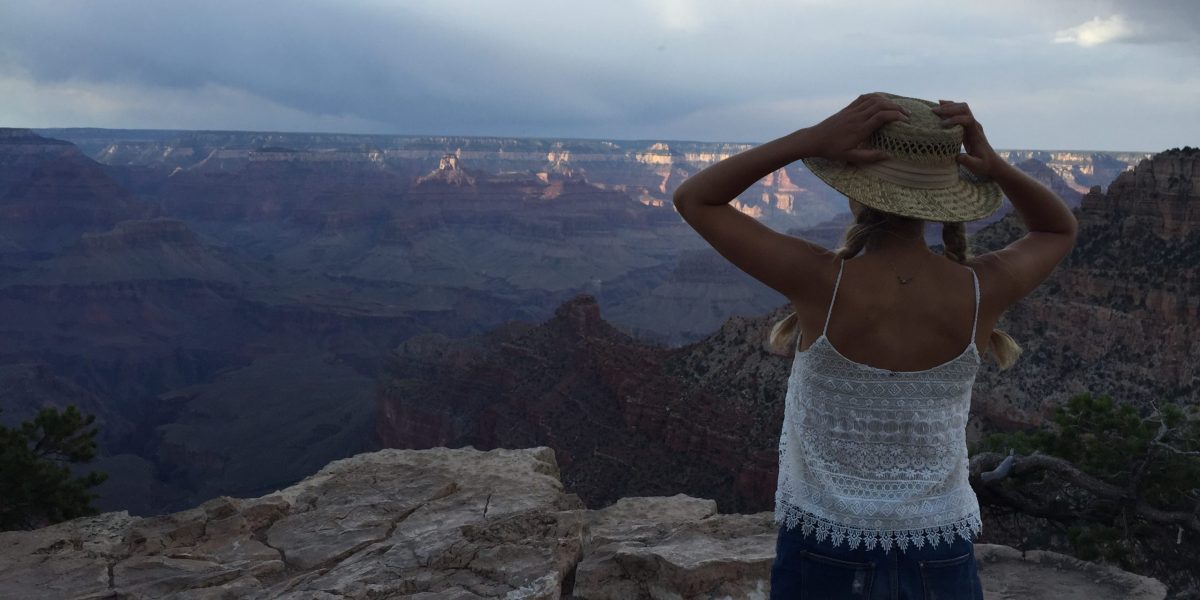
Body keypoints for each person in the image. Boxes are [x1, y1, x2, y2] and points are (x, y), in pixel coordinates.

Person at [671, 92, 1078, 599]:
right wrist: (995, 166)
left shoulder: (820, 281)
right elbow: (1058, 227)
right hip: (940, 553)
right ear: (946, 193)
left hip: (823, 550)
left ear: (855, 189)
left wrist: (809, 141)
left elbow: (695, 198)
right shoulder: (982, 289)